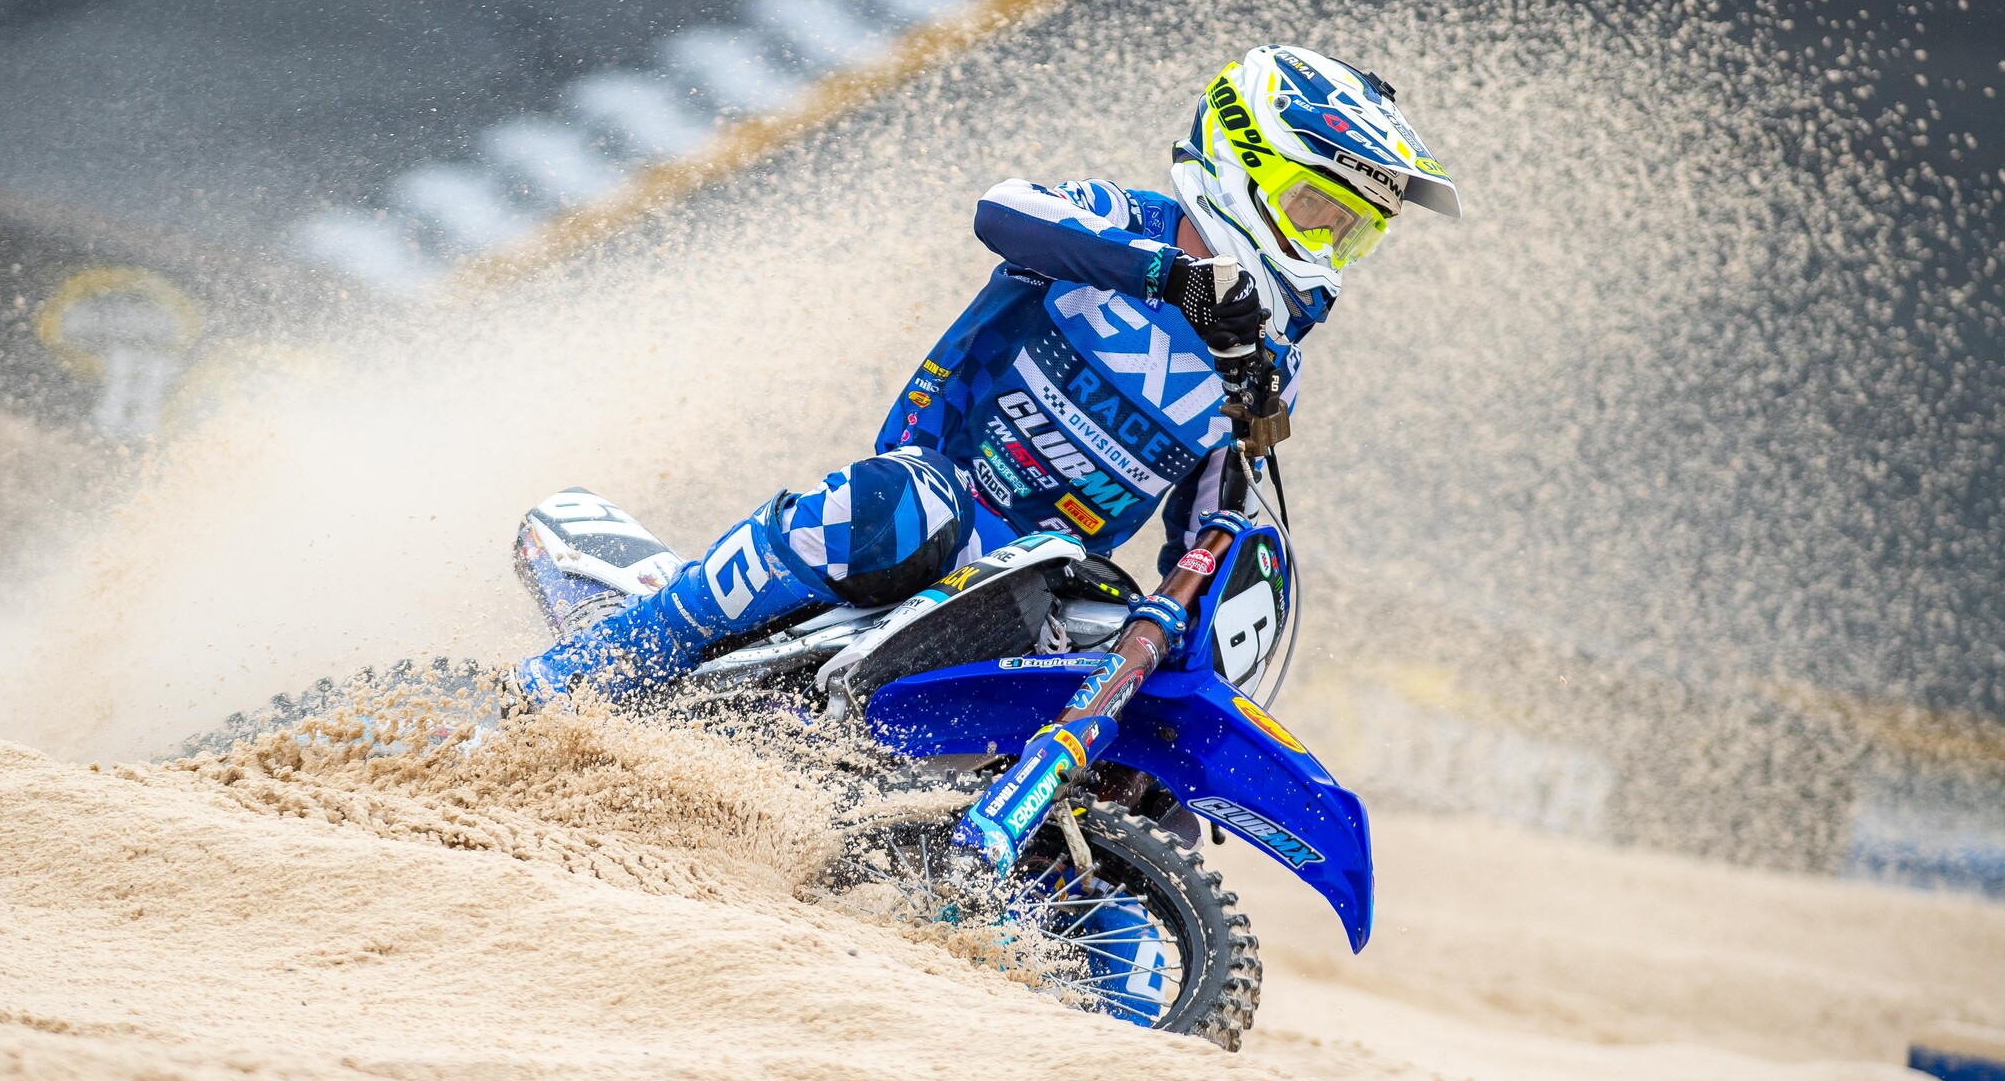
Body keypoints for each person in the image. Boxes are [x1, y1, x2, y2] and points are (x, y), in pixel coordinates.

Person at [509, 44, 1459, 704]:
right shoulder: (1119, 221)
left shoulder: (1266, 368)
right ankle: (589, 670)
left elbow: (1211, 523)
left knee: (1139, 668)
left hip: (1044, 583)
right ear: (1242, 160)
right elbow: (1003, 211)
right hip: (940, 509)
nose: (1331, 249)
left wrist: (1188, 618)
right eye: (1317, 211)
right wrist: (1173, 277)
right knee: (905, 505)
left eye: (1355, 232)